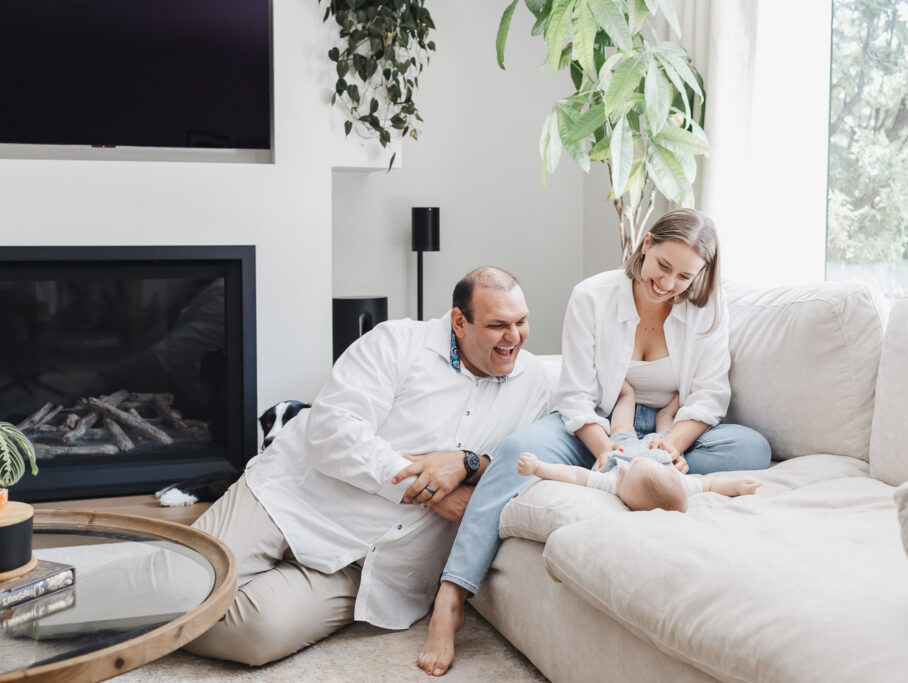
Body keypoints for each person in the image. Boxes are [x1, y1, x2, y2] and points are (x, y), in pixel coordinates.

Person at [419, 209, 772, 676]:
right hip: (597, 426)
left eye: (685, 276)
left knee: (752, 449)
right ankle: (451, 597)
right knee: (512, 451)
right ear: (646, 244)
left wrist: (670, 447)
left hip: (669, 433)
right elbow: (576, 397)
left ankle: (643, 475)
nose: (668, 284)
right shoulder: (592, 296)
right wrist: (605, 447)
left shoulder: (707, 307)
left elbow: (709, 396)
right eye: (663, 266)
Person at [184, 267, 549, 666]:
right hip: (290, 499)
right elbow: (332, 432)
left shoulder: (533, 383)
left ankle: (158, 622)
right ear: (460, 322)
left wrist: (467, 463)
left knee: (256, 633)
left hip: (369, 564)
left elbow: (533, 455)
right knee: (180, 584)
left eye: (521, 322)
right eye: (498, 325)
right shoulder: (397, 343)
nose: (513, 337)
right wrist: (426, 492)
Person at [515, 452, 761, 512]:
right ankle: (666, 414)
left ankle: (627, 396)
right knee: (662, 433)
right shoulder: (680, 484)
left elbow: (575, 475)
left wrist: (539, 467)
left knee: (623, 426)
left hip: (621, 444)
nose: (624, 465)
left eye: (626, 471)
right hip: (660, 453)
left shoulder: (612, 482)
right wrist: (737, 487)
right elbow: (710, 484)